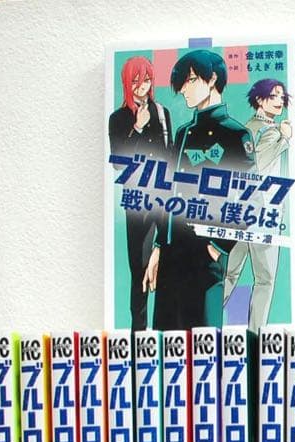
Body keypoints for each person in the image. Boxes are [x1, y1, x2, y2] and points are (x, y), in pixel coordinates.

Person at [145, 49, 255, 330]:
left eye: (190, 80)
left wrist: (218, 247)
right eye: (181, 84)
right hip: (171, 254)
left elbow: (249, 199)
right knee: (166, 342)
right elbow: (169, 193)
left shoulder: (236, 134)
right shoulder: (183, 132)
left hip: (203, 258)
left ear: (213, 79)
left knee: (203, 343)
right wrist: (158, 247)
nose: (184, 89)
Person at [108, 55, 173, 330]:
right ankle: (139, 335)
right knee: (140, 270)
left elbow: (169, 155)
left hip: (165, 198)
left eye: (146, 80)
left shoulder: (162, 112)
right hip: (137, 202)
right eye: (135, 81)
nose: (141, 86)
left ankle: (168, 332)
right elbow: (118, 163)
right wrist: (137, 127)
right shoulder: (118, 118)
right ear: (126, 83)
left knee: (169, 265)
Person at [223, 79, 292, 331]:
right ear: (260, 100)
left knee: (230, 273)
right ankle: (256, 335)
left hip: (240, 209)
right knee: (265, 279)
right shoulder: (271, 131)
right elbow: (258, 165)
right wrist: (285, 139)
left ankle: (203, 323)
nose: (279, 100)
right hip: (263, 212)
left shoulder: (246, 127)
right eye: (273, 96)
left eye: (282, 96)